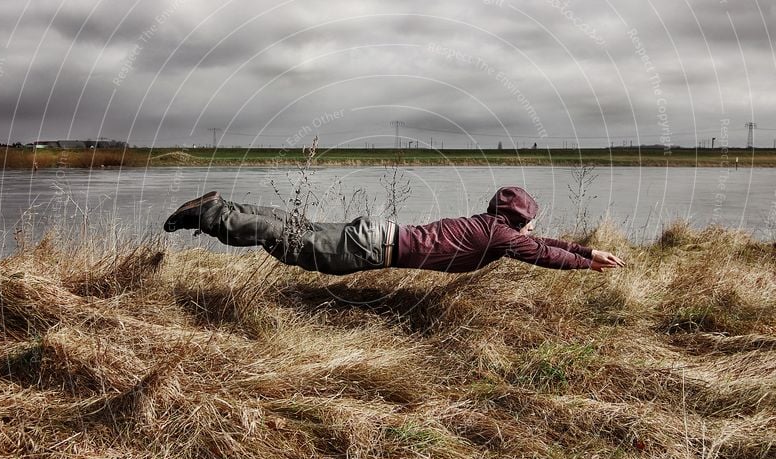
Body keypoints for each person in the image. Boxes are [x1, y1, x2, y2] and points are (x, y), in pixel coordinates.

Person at [163, 186, 625, 275]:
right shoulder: (499, 237)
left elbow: (541, 245)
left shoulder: (492, 227)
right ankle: (208, 216)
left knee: (295, 231)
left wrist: (588, 251)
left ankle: (221, 206)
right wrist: (585, 263)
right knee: (289, 244)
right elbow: (543, 253)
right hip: (372, 247)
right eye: (531, 220)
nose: (532, 228)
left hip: (377, 235)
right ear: (520, 219)